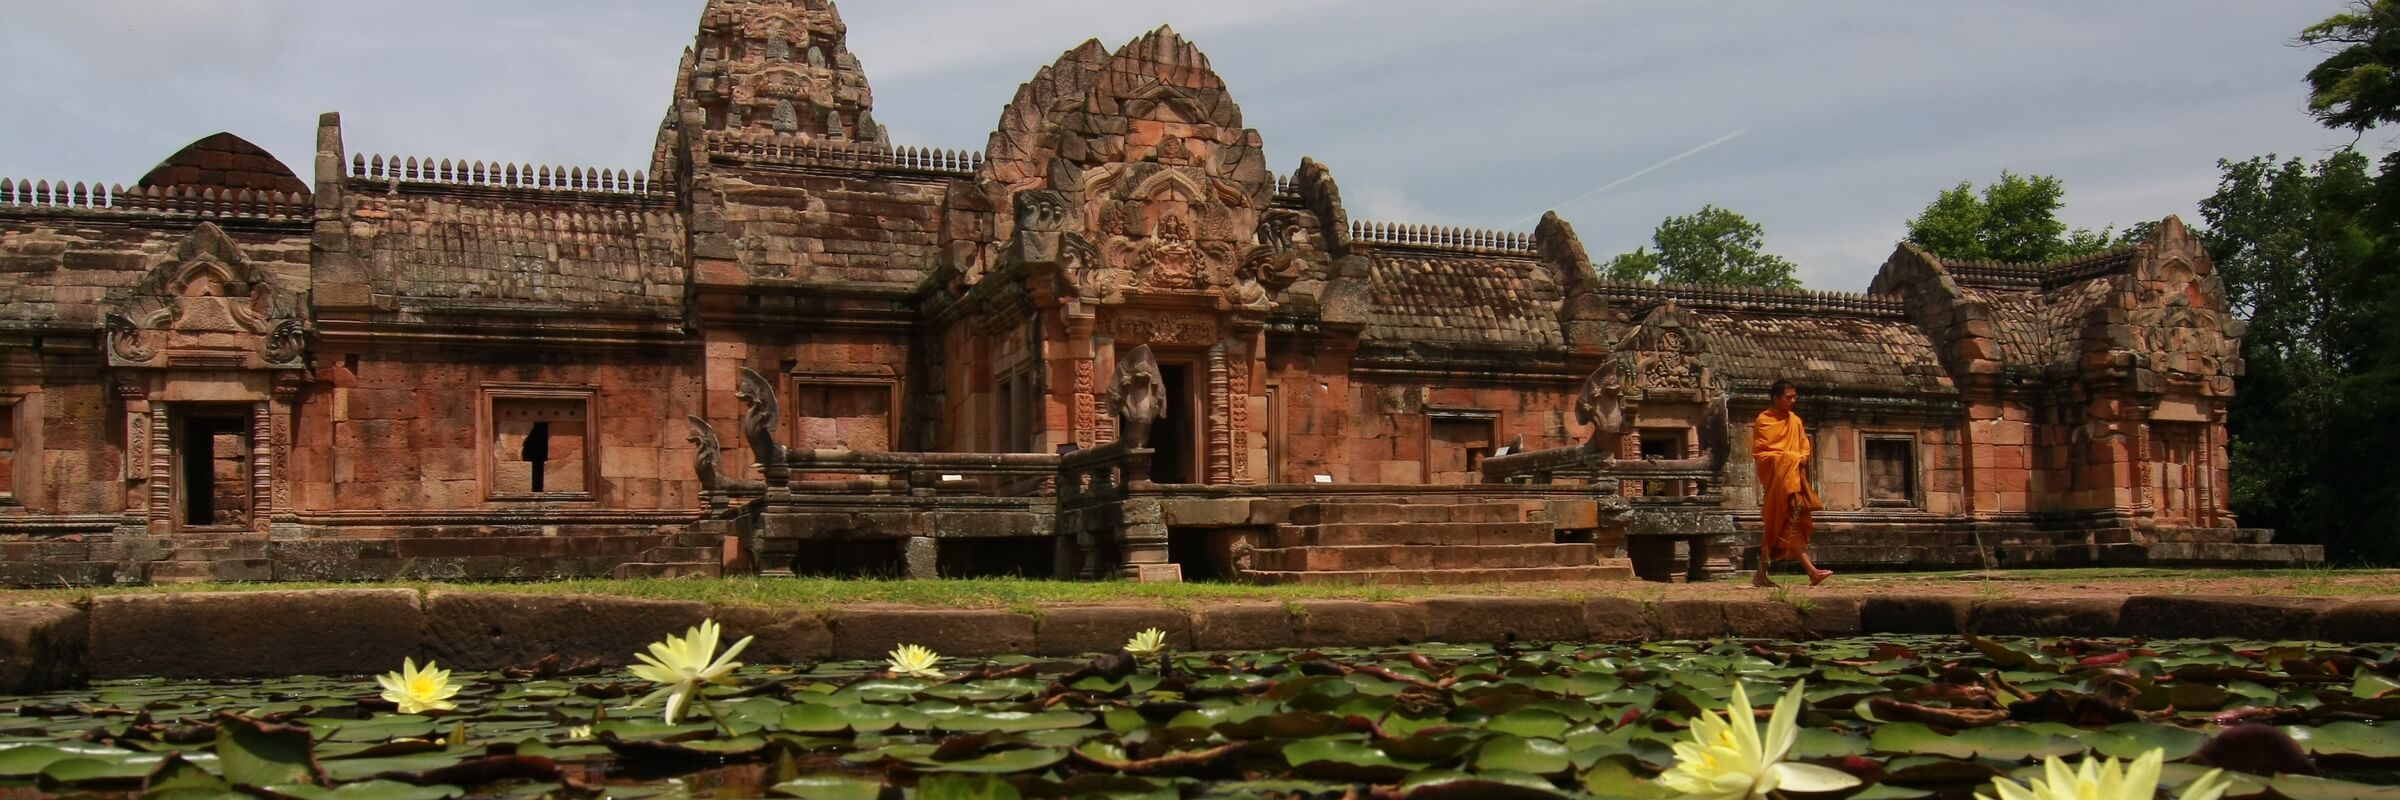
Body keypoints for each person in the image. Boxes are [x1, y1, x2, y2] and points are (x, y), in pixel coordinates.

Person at [1752, 380, 1830, 588]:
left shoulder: (1795, 421)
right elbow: (1763, 454)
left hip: (1794, 480)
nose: (1793, 401)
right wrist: (1792, 458)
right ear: (1775, 398)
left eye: (1794, 397)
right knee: (1779, 524)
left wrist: (1801, 457)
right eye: (1788, 397)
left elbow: (1804, 445)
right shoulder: (1764, 420)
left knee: (1790, 523)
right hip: (1779, 481)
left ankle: (1764, 574)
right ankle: (1812, 572)